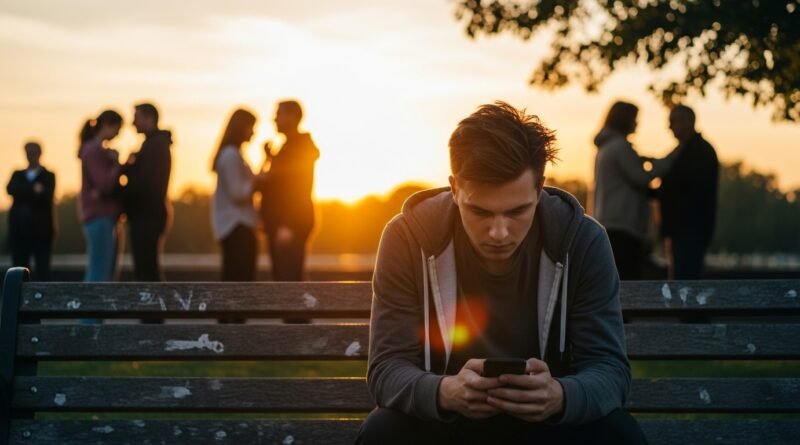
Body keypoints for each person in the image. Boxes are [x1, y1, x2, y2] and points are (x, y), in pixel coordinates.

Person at [358, 102, 647, 444]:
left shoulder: (582, 240)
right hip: (445, 421)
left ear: (540, 189)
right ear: (454, 188)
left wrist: (560, 396)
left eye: (517, 211)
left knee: (619, 434)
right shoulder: (408, 237)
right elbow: (387, 368)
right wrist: (444, 391)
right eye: (480, 211)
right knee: (383, 431)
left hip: (548, 424)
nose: (499, 232)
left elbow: (610, 370)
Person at [592, 101, 675, 280]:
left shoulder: (605, 147)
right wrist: (665, 162)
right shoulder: (620, 147)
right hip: (624, 224)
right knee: (629, 278)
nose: (637, 123)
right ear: (625, 120)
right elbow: (640, 177)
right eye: (635, 119)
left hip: (608, 220)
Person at [259, 100, 319, 281]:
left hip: (290, 223)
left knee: (288, 277)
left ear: (293, 117)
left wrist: (288, 224)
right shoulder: (291, 146)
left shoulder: (299, 147)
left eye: (278, 114)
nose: (274, 119)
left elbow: (296, 188)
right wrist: (270, 157)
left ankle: (293, 311)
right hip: (285, 223)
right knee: (285, 276)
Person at [657, 105, 719, 279]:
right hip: (685, 228)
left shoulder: (700, 152)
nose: (669, 127)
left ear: (687, 122)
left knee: (685, 280)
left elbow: (685, 186)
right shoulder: (690, 151)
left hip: (689, 228)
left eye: (672, 122)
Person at [211, 108, 263, 282]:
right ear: (242, 127)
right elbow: (237, 192)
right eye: (251, 126)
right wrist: (258, 182)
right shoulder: (231, 155)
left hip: (234, 226)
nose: (253, 132)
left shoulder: (232, 154)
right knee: (240, 281)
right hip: (237, 226)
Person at [123, 102, 173, 282]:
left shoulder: (155, 146)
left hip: (147, 216)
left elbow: (147, 183)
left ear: (149, 118)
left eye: (136, 117)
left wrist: (121, 190)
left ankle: (153, 309)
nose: (133, 122)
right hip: (149, 214)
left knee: (147, 270)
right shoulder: (155, 144)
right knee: (147, 268)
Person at [78, 110, 124, 282]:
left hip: (104, 216)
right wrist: (117, 165)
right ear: (107, 125)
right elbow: (104, 183)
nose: (118, 134)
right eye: (117, 129)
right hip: (99, 216)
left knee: (106, 272)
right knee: (99, 273)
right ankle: (87, 307)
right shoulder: (92, 150)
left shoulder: (97, 151)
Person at [6, 142, 56, 281]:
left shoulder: (48, 175)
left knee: (43, 269)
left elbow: (47, 195)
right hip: (19, 230)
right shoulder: (18, 174)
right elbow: (10, 189)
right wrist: (33, 190)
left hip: (41, 231)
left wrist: (23, 190)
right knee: (19, 268)